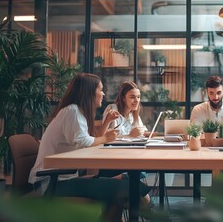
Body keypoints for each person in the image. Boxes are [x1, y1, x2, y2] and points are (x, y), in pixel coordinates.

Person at [29, 73, 150, 222]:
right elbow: (83, 142)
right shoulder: (72, 111)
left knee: (122, 190)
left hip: (65, 178)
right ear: (89, 91)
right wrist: (106, 138)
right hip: (52, 183)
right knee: (128, 188)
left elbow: (83, 143)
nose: (103, 94)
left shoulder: (76, 112)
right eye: (101, 89)